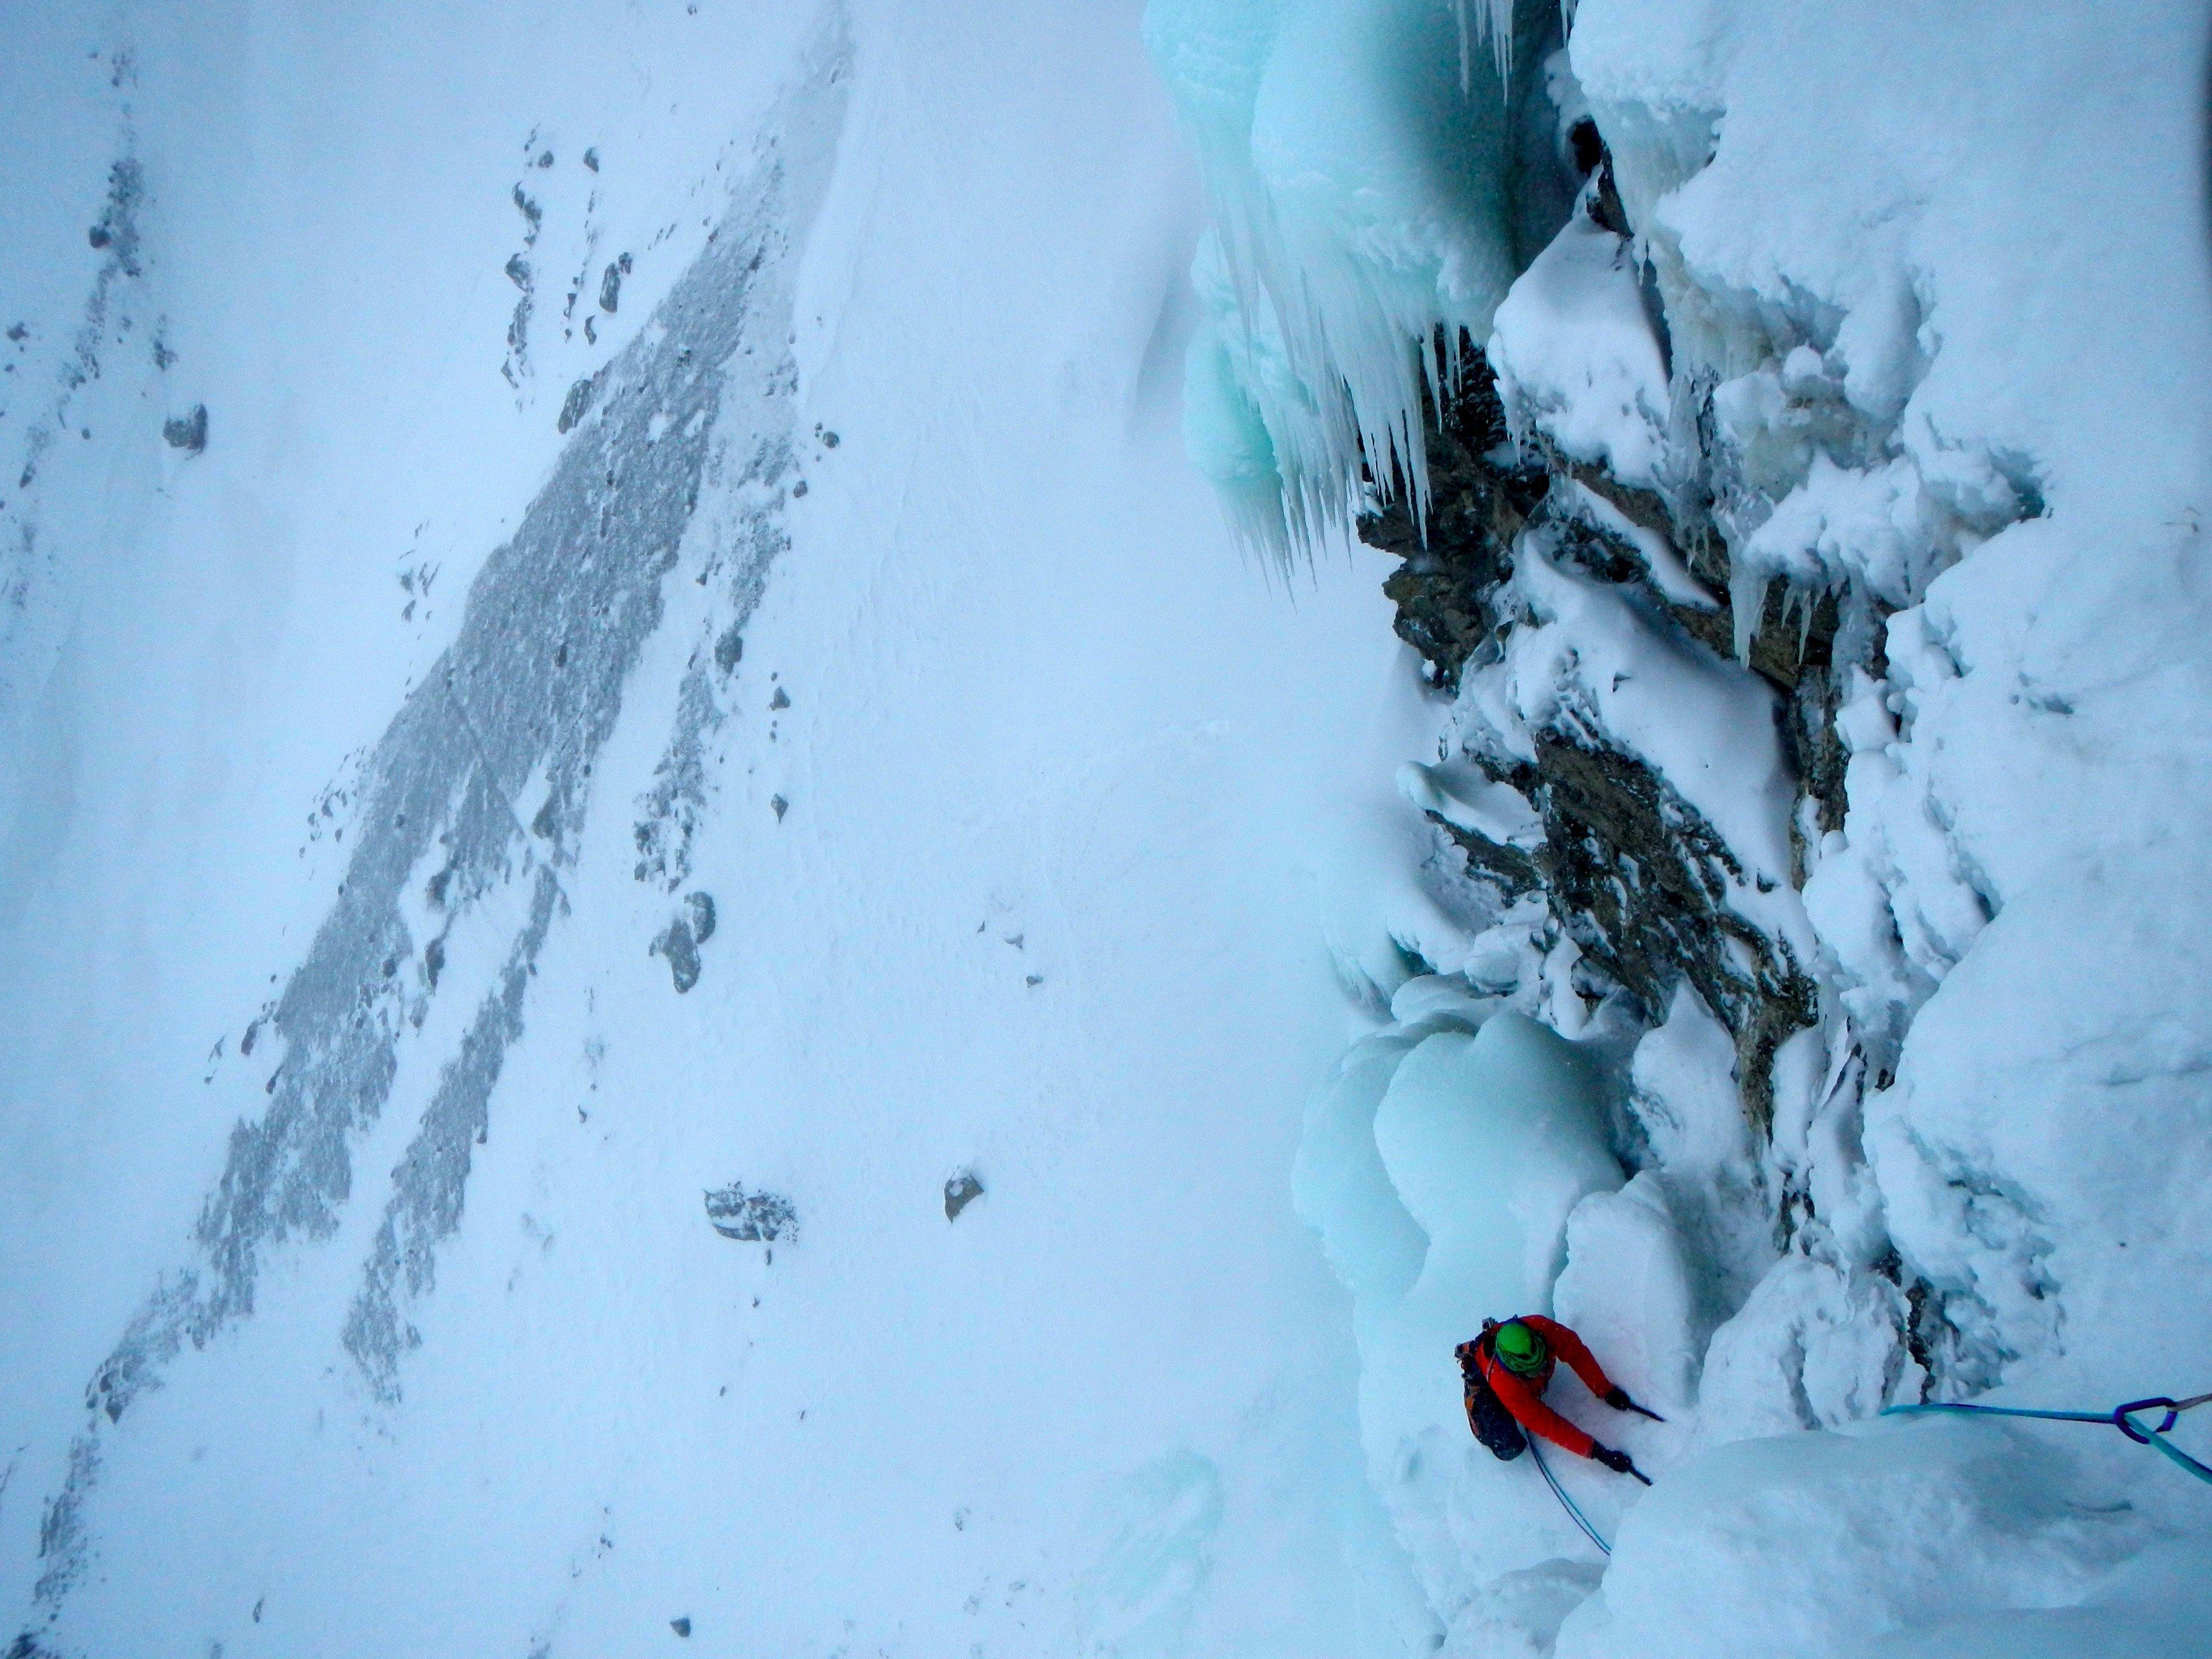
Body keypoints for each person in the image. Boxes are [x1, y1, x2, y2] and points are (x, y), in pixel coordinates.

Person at [1456, 1315, 1656, 1480]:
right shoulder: (1505, 1383)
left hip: (1513, 1354)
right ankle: (1473, 1376)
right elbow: (1548, 1424)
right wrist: (1597, 1452)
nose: (1541, 1369)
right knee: (1507, 1446)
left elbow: (1576, 1353)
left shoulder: (1543, 1328)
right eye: (1533, 1370)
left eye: (1542, 1362)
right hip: (1490, 1382)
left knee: (1538, 1380)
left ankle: (1490, 1338)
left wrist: (1605, 1390)